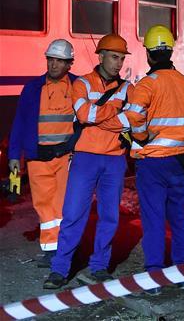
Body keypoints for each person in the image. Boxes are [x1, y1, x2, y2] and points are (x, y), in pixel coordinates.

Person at [45, 34, 131, 289]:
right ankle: (59, 269)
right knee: (73, 215)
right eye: (114, 57)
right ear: (101, 55)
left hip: (114, 160)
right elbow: (83, 114)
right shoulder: (81, 84)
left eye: (122, 58)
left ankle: (100, 266)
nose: (118, 64)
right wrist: (117, 113)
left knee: (109, 216)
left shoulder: (128, 87)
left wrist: (101, 116)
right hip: (85, 159)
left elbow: (134, 119)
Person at [124, 25, 184, 294]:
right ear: (169, 51)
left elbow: (133, 115)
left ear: (150, 55)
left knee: (154, 218)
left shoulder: (147, 84)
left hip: (153, 161)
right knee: (180, 217)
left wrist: (141, 136)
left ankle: (154, 275)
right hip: (180, 160)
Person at [8, 40, 79, 265]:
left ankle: (63, 249)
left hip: (65, 156)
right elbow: (19, 122)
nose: (54, 65)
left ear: (69, 63)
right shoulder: (32, 88)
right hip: (38, 157)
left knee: (62, 204)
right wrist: (13, 156)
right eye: (51, 59)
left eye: (59, 61)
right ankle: (51, 249)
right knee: (43, 205)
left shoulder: (78, 86)